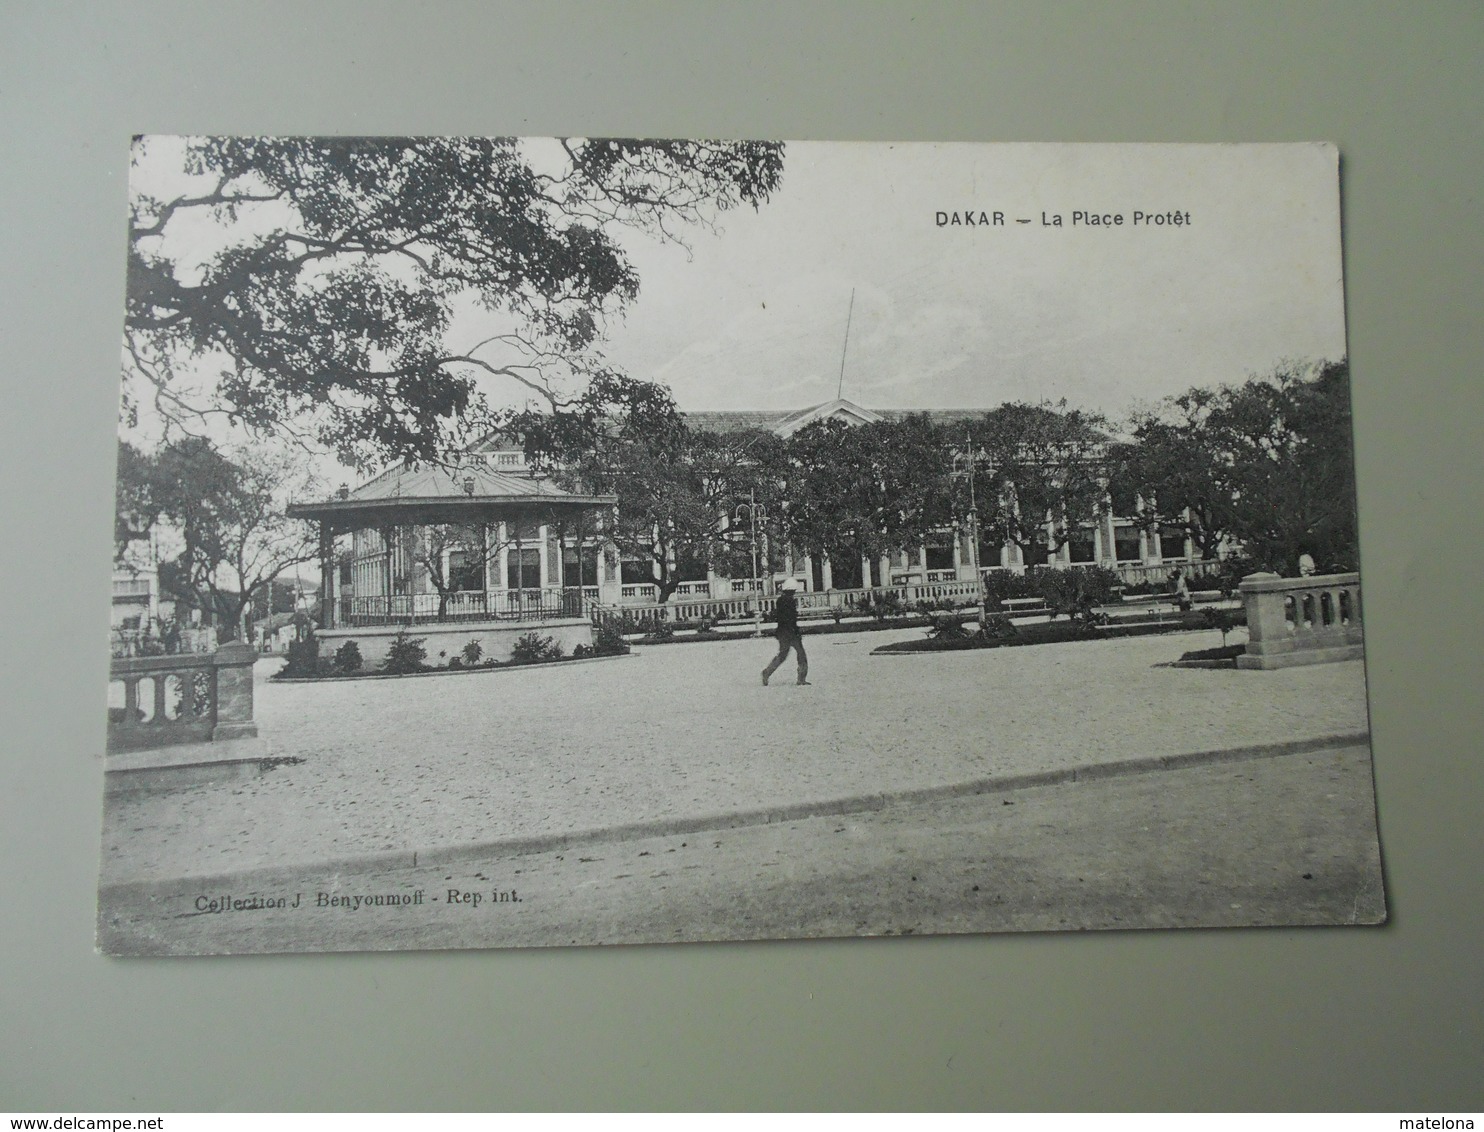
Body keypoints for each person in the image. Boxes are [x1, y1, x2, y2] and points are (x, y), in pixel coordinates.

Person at [762, 579, 809, 686]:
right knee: (801, 654)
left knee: (782, 655)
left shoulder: (780, 601)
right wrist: (796, 632)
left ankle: (767, 672)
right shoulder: (791, 601)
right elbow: (791, 619)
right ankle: (801, 678)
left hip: (782, 632)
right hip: (791, 632)